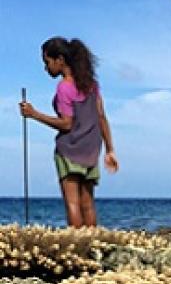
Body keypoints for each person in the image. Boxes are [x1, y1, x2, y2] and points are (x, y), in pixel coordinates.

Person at [19, 37, 118, 228]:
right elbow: (101, 117)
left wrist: (34, 114)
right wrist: (110, 149)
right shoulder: (91, 85)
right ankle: (93, 245)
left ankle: (79, 248)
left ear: (60, 60)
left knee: (72, 204)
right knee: (88, 205)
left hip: (69, 151)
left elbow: (66, 124)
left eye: (47, 62)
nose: (46, 68)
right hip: (90, 151)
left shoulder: (64, 87)